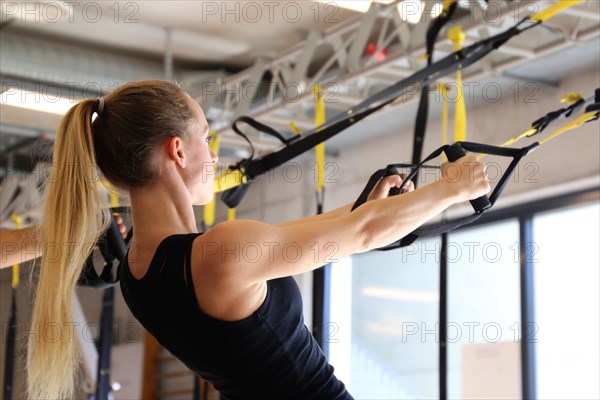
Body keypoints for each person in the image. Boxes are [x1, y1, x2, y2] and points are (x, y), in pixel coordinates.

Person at [27, 80, 489, 400]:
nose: (214, 153)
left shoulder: (137, 274)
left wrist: (366, 207)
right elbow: (364, 234)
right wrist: (454, 188)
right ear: (178, 149)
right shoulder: (219, 253)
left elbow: (301, 236)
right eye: (206, 137)